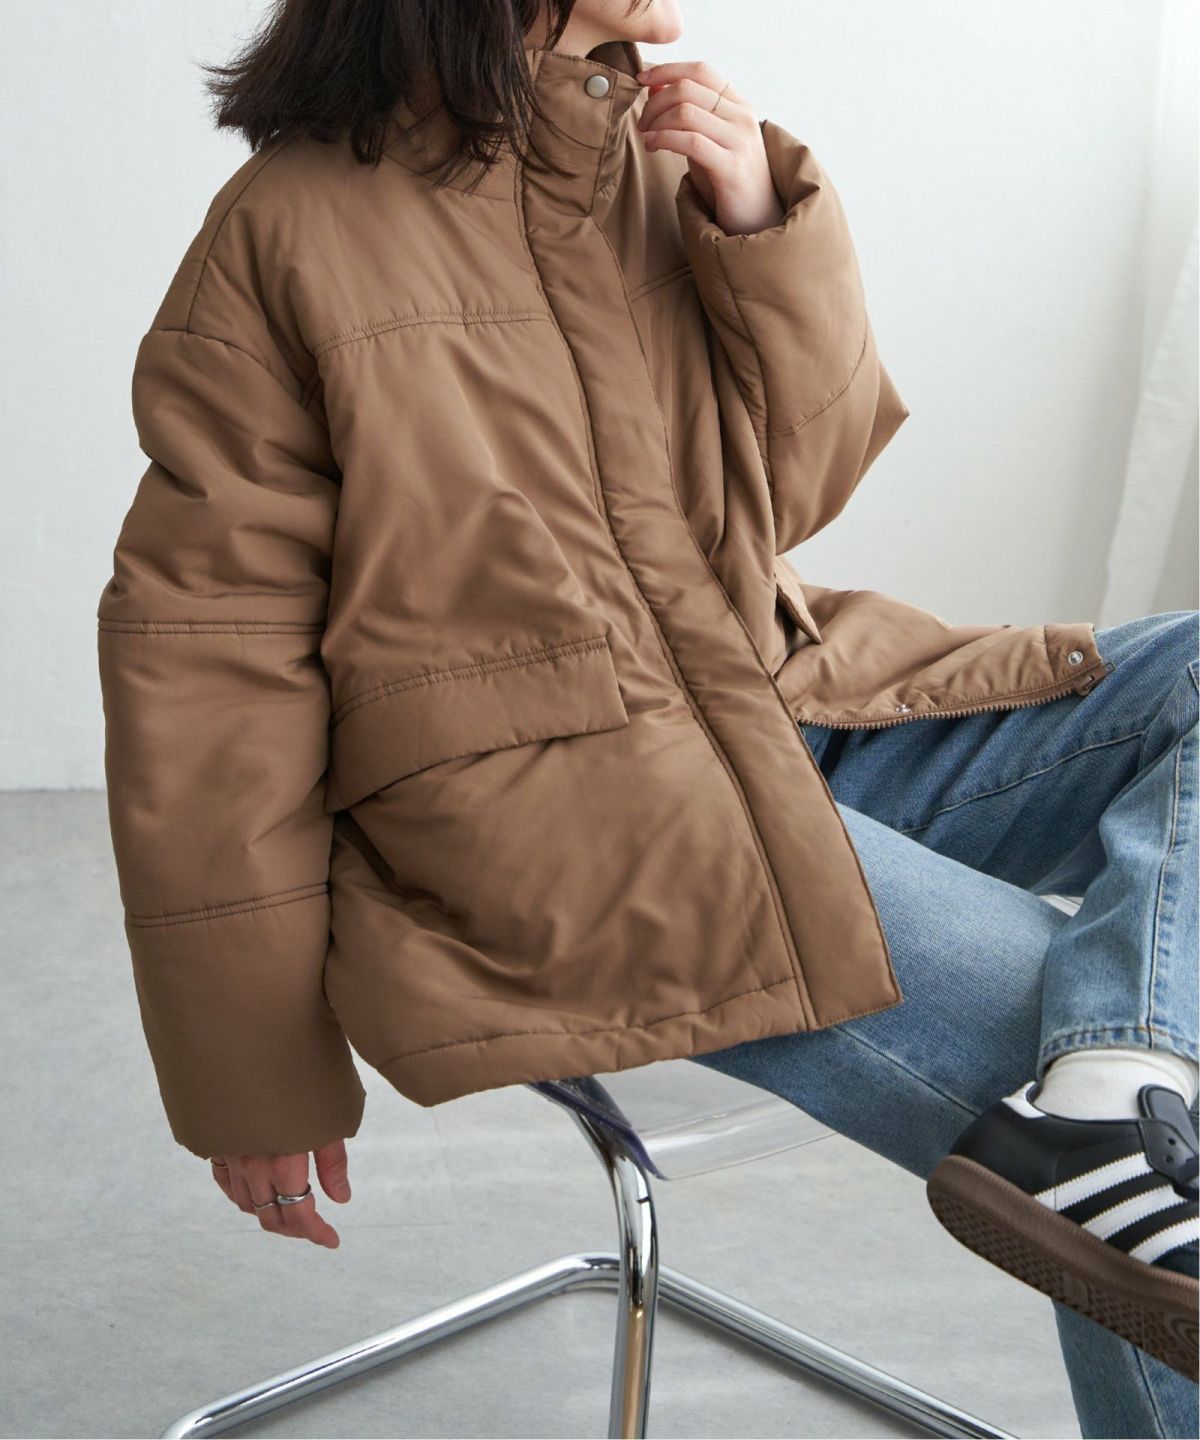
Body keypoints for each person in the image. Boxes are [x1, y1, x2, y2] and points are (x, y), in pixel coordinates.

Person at [95, 0, 1198, 1432]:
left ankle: (1122, 1064)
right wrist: (250, 1075)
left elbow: (798, 489)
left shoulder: (648, 154)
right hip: (566, 841)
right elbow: (205, 674)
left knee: (1127, 1088)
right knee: (1137, 1161)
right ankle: (1119, 1097)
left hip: (777, 711)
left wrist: (761, 228)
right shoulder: (283, 236)